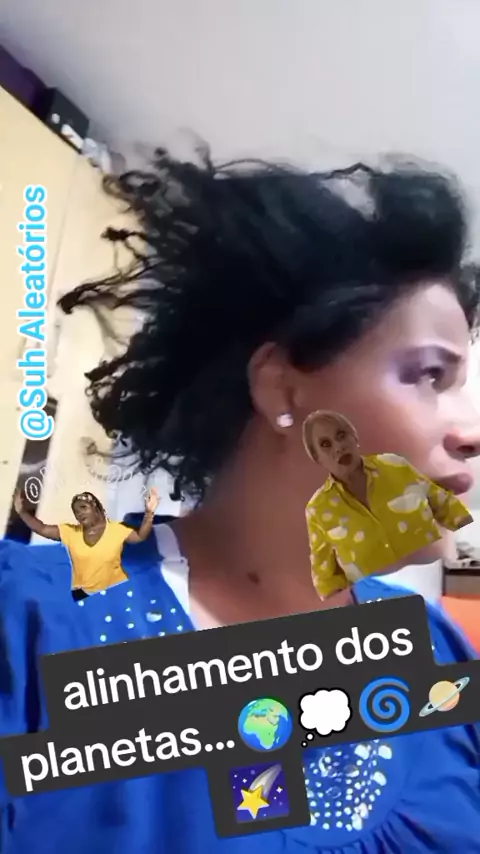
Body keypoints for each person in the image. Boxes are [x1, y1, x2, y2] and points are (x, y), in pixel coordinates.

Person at [1, 150, 480, 854]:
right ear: (283, 390)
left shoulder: (432, 654)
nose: (470, 431)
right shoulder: (32, 625)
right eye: (430, 376)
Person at [303, 410, 473, 596]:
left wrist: (469, 541)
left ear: (354, 437)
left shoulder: (394, 466)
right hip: (374, 597)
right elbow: (324, 572)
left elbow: (444, 505)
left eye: (341, 435)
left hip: (428, 584)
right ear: (317, 458)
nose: (338, 447)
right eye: (325, 444)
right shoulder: (318, 509)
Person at [12, 488, 160, 598]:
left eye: (83, 508)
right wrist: (22, 512)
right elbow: (42, 528)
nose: (80, 513)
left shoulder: (116, 530)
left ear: (95, 507)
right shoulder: (71, 532)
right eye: (76, 512)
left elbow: (140, 537)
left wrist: (149, 514)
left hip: (114, 592)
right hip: (83, 596)